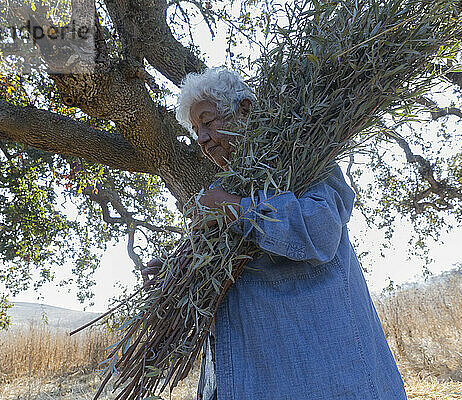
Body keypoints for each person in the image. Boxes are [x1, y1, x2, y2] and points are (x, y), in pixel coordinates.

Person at [169, 67, 408, 400]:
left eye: (207, 122)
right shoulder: (219, 191)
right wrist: (178, 271)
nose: (202, 139)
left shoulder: (306, 165)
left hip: (325, 375)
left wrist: (239, 209)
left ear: (245, 110)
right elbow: (212, 271)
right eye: (196, 130)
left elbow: (319, 230)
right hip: (247, 375)